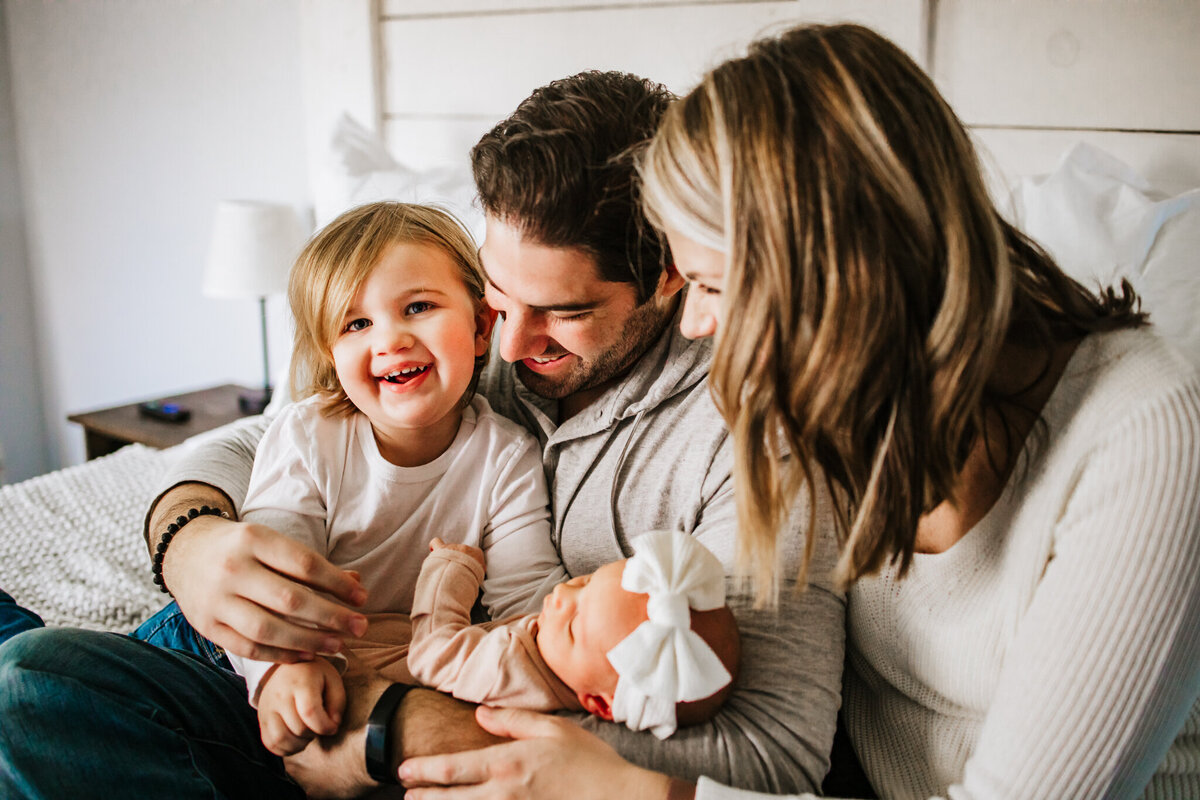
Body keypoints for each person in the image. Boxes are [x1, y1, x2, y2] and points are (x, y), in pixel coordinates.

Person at [396, 23, 1200, 800]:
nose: (699, 326)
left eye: (711, 285)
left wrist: (643, 793)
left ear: (837, 278)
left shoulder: (1144, 436)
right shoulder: (849, 400)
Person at [0, 70, 844, 800]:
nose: (510, 350)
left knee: (32, 690)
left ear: (669, 275)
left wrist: (393, 729)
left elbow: (774, 759)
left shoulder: (751, 448)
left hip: (379, 726)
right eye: (500, 300)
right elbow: (268, 441)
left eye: (568, 311)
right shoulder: (481, 352)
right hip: (287, 676)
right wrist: (189, 538)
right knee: (32, 674)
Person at [226, 201, 566, 757]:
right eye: (357, 324)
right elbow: (272, 581)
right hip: (252, 648)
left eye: (418, 307)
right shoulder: (308, 438)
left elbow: (525, 601)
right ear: (331, 355)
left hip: (398, 664)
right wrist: (283, 669)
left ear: (482, 327)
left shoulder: (506, 455)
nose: (391, 340)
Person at [408, 531, 740, 739]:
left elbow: (430, 655)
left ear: (597, 703)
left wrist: (451, 569)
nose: (563, 592)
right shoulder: (564, 664)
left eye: (572, 626)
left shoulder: (509, 671)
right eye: (587, 581)